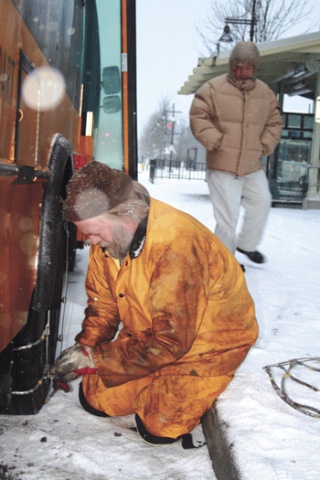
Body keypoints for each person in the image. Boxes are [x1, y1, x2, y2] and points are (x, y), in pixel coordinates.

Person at [51, 160, 258, 446]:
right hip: (150, 335)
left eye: (95, 232)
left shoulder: (177, 244)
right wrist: (86, 348)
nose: (92, 242)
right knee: (94, 397)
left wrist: (100, 360)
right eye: (87, 234)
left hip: (205, 344)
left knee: (159, 426)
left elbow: (172, 339)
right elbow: (103, 304)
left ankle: (182, 383)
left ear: (124, 216)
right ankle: (154, 376)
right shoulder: (111, 240)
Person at [189, 41, 283, 264]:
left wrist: (265, 145)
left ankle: (246, 245)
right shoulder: (213, 88)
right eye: (239, 66)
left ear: (255, 68)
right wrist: (217, 141)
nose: (243, 72)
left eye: (248, 67)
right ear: (232, 65)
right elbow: (198, 115)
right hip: (222, 164)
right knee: (227, 218)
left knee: (262, 201)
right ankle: (224, 262)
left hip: (251, 165)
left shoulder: (265, 94)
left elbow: (274, 121)